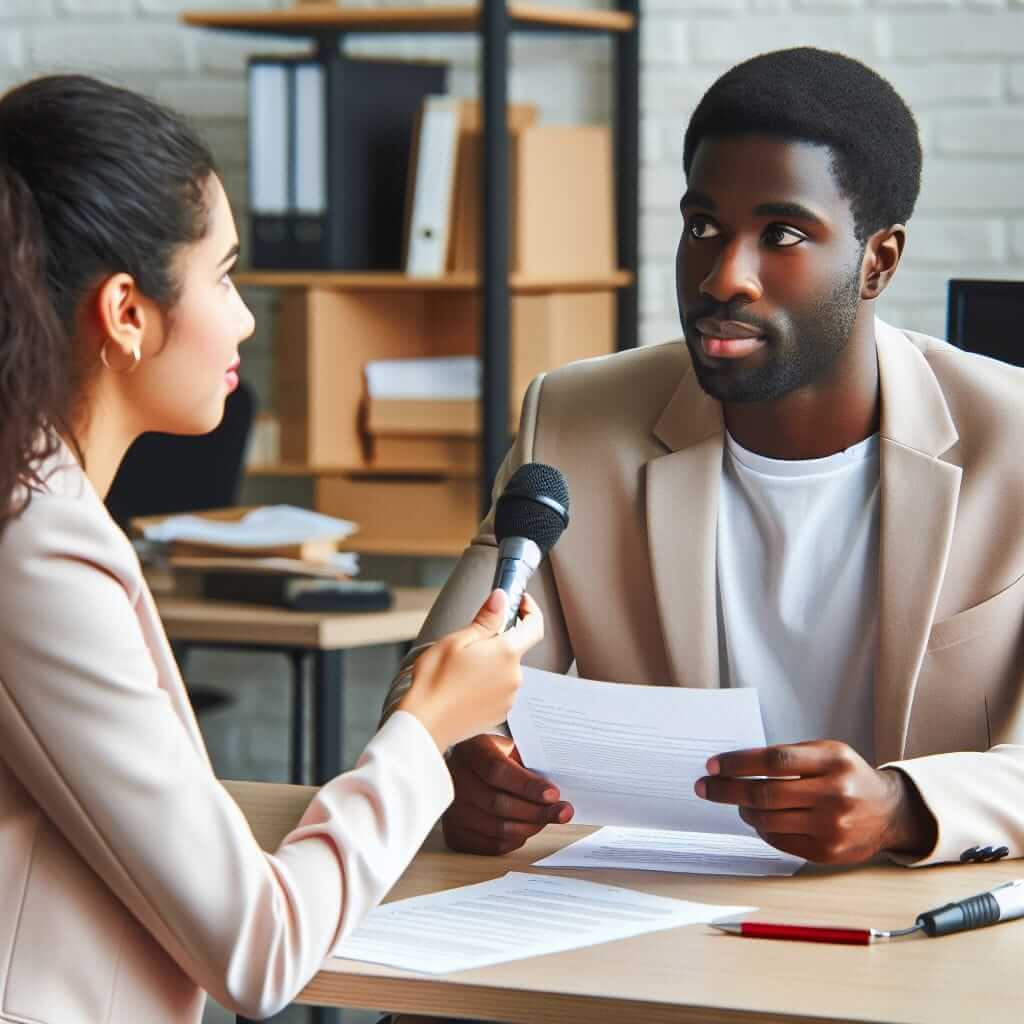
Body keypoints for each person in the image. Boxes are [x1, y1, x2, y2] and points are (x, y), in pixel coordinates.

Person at [383, 47, 1024, 871]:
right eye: (703, 227)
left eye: (782, 234)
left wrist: (903, 808)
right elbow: (428, 694)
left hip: (909, 933)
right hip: (654, 926)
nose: (726, 277)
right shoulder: (576, 421)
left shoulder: (1010, 440)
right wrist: (459, 764)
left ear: (879, 262)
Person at [0, 74, 543, 1023]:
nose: (247, 317)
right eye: (224, 275)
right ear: (126, 312)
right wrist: (425, 729)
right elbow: (259, 953)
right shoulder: (34, 548)